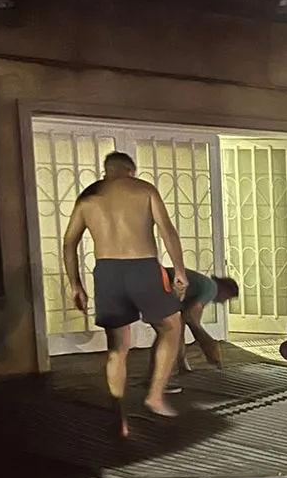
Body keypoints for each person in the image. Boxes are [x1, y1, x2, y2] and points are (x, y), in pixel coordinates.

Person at [62, 151, 189, 434]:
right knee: (171, 327)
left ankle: (119, 420)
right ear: (131, 170)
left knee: (117, 349)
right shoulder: (144, 189)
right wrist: (178, 269)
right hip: (142, 267)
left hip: (107, 272)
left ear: (106, 171)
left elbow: (69, 243)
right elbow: (167, 230)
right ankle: (155, 395)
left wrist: (75, 284)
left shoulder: (89, 196)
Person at [146, 268, 240, 389]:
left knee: (169, 330)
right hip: (158, 285)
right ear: (225, 291)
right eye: (227, 298)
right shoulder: (211, 289)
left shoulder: (202, 286)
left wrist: (183, 365)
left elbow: (184, 321)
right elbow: (192, 318)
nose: (223, 303)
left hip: (154, 282)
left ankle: (171, 370)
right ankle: (155, 380)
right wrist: (209, 345)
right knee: (167, 332)